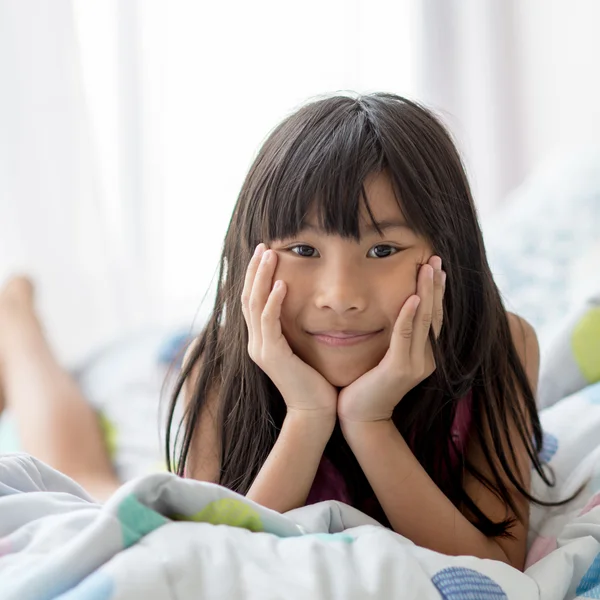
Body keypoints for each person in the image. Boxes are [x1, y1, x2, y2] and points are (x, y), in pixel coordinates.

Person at [164, 92, 574, 572]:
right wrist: (307, 414)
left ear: (448, 250)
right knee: (89, 470)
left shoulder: (497, 346)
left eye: (382, 251)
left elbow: (498, 564)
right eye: (302, 248)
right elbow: (210, 565)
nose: (340, 296)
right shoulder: (216, 364)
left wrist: (369, 422)